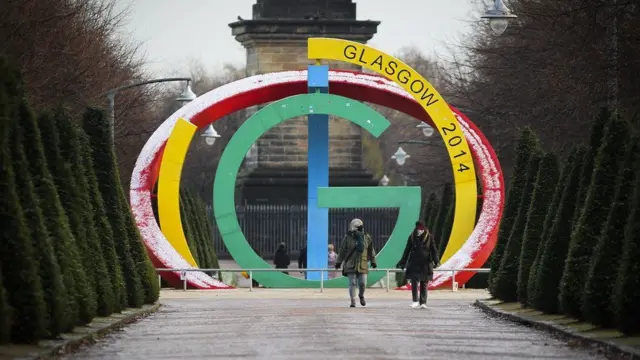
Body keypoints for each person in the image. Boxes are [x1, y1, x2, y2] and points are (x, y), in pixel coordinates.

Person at [396, 221, 440, 309]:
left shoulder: (429, 237)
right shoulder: (412, 236)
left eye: (421, 229)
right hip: (414, 263)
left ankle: (423, 302)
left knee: (424, 283)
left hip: (425, 263)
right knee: (414, 282)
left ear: (424, 228)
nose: (419, 230)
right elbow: (407, 250)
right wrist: (402, 262)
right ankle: (415, 301)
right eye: (418, 228)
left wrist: (436, 261)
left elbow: (434, 250)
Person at [335, 218, 377, 308]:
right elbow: (342, 250)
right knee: (352, 283)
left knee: (363, 283)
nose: (356, 228)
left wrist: (373, 261)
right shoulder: (348, 237)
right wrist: (338, 262)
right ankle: (352, 301)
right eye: (355, 226)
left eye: (358, 226)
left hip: (363, 264)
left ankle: (361, 295)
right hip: (351, 264)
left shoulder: (366, 237)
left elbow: (371, 250)